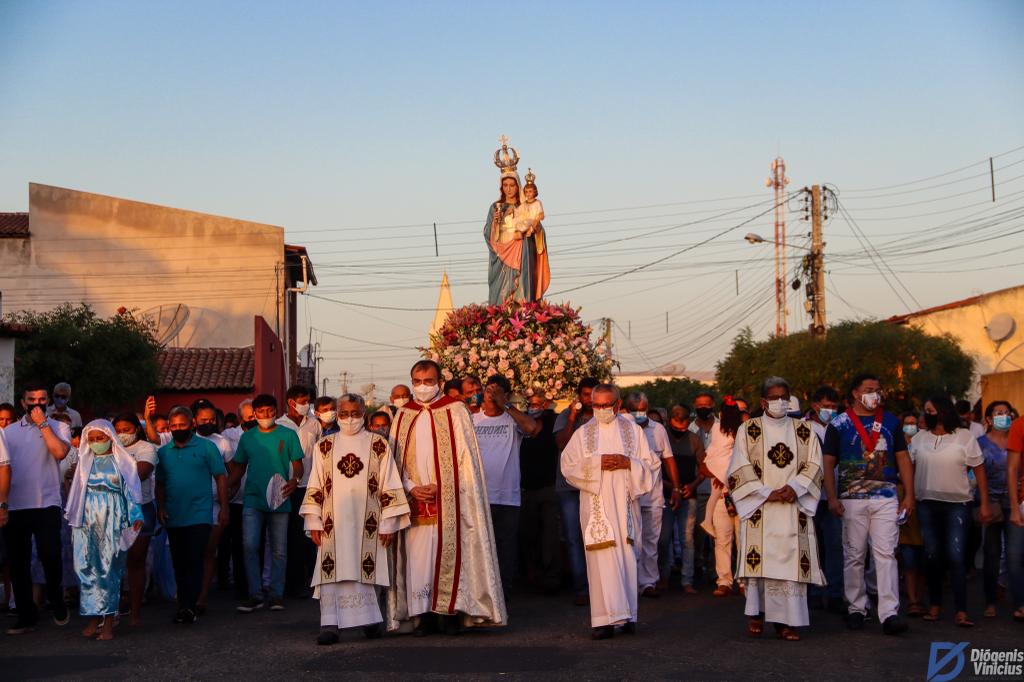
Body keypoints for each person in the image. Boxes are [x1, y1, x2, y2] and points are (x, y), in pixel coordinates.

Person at [386, 360, 506, 635]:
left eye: (428, 381)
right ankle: (423, 614)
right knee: (417, 558)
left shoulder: (455, 411)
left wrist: (446, 485)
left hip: (450, 497)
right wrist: (411, 486)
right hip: (414, 498)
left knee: (450, 551)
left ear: (440, 382)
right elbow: (393, 461)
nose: (422, 387)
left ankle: (450, 612)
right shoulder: (403, 415)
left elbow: (467, 460)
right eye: (417, 381)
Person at [301, 393, 411, 644]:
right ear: (337, 414)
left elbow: (390, 484)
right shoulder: (324, 446)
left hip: (369, 521)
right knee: (332, 571)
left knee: (365, 569)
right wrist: (314, 521)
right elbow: (315, 483)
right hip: (332, 521)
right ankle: (330, 624)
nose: (349, 419)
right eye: (344, 414)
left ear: (364, 414)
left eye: (355, 414)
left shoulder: (379, 444)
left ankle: (370, 621)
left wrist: (388, 524)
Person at [728, 377, 824, 642]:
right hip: (761, 508)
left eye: (784, 396)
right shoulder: (748, 429)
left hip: (793, 508)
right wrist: (766, 493)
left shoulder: (804, 430)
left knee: (790, 564)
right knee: (762, 562)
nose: (780, 402)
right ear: (763, 402)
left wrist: (795, 487)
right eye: (774, 397)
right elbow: (738, 466)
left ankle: (786, 622)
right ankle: (757, 614)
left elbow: (815, 465)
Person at [823, 373, 914, 635]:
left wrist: (909, 494)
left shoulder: (891, 421)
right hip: (852, 497)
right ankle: (856, 608)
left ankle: (889, 613)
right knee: (854, 554)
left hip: (885, 496)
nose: (875, 394)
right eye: (869, 389)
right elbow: (828, 463)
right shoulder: (838, 424)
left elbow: (903, 458)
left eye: (878, 389)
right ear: (855, 393)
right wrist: (831, 496)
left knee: (885, 553)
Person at [560, 384, 654, 639]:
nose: (602, 410)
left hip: (624, 503)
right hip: (596, 504)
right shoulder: (583, 434)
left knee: (626, 555)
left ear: (617, 403)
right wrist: (598, 463)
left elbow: (649, 466)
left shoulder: (633, 431)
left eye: (607, 404)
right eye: (597, 405)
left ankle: (628, 616)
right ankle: (603, 620)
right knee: (601, 558)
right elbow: (568, 467)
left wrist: (628, 463)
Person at [912, 395, 992, 627]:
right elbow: (910, 468)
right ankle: (935, 604)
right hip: (926, 503)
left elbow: (979, 471)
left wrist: (984, 503)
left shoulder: (965, 437)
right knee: (932, 555)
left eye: (932, 410)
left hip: (958, 505)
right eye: (926, 410)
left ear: (944, 411)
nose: (929, 414)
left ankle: (961, 610)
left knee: (956, 556)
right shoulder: (918, 439)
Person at [3, 381, 72, 635]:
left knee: (50, 555)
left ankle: (56, 598)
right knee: (18, 562)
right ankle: (26, 614)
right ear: (23, 403)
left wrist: (43, 424)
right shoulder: (8, 432)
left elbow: (59, 453)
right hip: (16, 504)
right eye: (31, 401)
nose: (37, 405)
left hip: (46, 502)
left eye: (42, 400)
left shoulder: (59, 426)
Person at [66, 420, 143, 641]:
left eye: (100, 438)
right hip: (86, 520)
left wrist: (135, 516)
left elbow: (131, 492)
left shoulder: (124, 462)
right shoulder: (84, 463)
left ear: (110, 437)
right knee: (86, 567)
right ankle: (93, 618)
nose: (96, 443)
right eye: (91, 439)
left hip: (112, 518)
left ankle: (109, 621)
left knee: (108, 569)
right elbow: (76, 495)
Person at [228, 394, 304, 613]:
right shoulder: (247, 438)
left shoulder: (288, 435)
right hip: (252, 498)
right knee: (250, 545)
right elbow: (239, 468)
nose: (266, 416)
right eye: (261, 412)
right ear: (255, 413)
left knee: (279, 549)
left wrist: (295, 480)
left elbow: (298, 465)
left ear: (275, 410)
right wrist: (224, 490)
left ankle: (276, 595)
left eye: (270, 411)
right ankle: (255, 594)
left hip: (280, 496)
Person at [155, 406, 228, 624]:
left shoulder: (207, 448)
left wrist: (225, 507)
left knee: (195, 558)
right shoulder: (164, 452)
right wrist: (160, 507)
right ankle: (184, 604)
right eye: (173, 426)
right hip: (174, 514)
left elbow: (220, 477)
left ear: (192, 425)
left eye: (182, 425)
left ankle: (189, 606)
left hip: (200, 514)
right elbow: (159, 483)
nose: (177, 429)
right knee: (179, 561)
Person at [472, 376, 539, 598]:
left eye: (497, 391)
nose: (491, 395)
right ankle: (483, 593)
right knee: (480, 547)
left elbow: (532, 428)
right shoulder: (473, 420)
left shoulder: (513, 420)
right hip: (478, 495)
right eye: (488, 390)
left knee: (506, 546)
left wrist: (506, 405)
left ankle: (504, 592)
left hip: (508, 496)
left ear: (506, 395)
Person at [624, 392, 680, 598]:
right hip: (630, 496)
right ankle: (630, 583)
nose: (639, 413)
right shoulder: (622, 429)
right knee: (631, 541)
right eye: (635, 410)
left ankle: (648, 582)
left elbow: (668, 458)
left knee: (651, 543)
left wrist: (675, 488)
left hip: (653, 496)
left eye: (642, 409)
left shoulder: (658, 430)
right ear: (626, 410)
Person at [485, 141, 550, 304]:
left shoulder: (525, 207)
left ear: (518, 186)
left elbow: (537, 229)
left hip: (523, 253)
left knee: (522, 293)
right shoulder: (495, 207)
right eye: (505, 185)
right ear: (501, 187)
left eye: (512, 185)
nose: (508, 189)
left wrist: (536, 228)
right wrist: (496, 225)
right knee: (502, 295)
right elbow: (487, 234)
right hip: (502, 258)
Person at [554, 377, 600, 605]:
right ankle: (581, 587)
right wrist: (572, 416)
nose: (589, 400)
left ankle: (598, 585)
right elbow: (562, 444)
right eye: (585, 395)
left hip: (594, 486)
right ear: (579, 396)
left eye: (593, 395)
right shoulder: (566, 416)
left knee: (595, 535)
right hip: (568, 487)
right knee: (573, 538)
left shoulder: (603, 419)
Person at [111, 413, 158, 626]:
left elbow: (140, 473)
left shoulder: (146, 448)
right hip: (113, 508)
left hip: (140, 508)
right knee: (113, 562)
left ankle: (135, 612)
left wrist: (108, 474)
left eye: (127, 429)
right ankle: (112, 611)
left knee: (135, 561)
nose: (122, 434)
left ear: (137, 429)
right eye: (118, 429)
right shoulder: (108, 447)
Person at [276, 385, 322, 599]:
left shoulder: (314, 424)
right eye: (302, 401)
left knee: (309, 536)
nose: (306, 405)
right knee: (290, 535)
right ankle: (290, 583)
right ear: (291, 402)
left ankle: (310, 581)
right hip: (287, 487)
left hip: (310, 486)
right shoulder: (279, 425)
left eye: (308, 401)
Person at [658, 404, 705, 594]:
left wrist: (693, 485)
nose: (680, 431)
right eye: (677, 428)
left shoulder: (694, 439)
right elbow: (654, 468)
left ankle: (687, 580)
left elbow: (703, 468)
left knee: (687, 539)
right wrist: (670, 487)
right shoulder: (663, 437)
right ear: (670, 421)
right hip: (665, 493)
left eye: (684, 428)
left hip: (688, 494)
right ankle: (664, 576)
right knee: (663, 539)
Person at [804, 386, 844, 612]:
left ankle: (835, 592)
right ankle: (815, 592)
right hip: (809, 496)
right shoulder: (803, 428)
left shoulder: (839, 427)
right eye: (826, 406)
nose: (830, 410)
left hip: (834, 496)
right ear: (815, 405)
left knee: (835, 545)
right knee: (811, 546)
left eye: (833, 407)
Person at [699, 397, 744, 598]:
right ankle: (725, 580)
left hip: (742, 493)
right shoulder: (717, 430)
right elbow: (706, 461)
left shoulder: (746, 432)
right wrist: (716, 474)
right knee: (723, 540)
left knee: (743, 540)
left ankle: (744, 581)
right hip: (720, 494)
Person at [518, 393, 562, 594]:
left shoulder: (553, 422)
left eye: (537, 404)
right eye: (530, 404)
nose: (533, 407)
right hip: (527, 487)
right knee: (529, 533)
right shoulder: (521, 424)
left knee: (550, 534)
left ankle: (551, 575)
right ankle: (532, 573)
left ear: (545, 405)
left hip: (548, 487)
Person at [194, 402, 233, 613]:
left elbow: (231, 470)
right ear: (194, 420)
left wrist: (228, 492)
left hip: (215, 504)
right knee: (192, 552)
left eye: (211, 420)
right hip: (190, 505)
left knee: (209, 550)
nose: (208, 423)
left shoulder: (222, 442)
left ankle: (203, 596)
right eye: (203, 420)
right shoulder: (187, 441)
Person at [978, 400, 1015, 618]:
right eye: (998, 413)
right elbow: (973, 474)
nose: (1003, 416)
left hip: (1015, 504)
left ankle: (1017, 598)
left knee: (1015, 554)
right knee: (991, 553)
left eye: (1006, 412)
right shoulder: (980, 443)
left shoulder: (1018, 440)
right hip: (990, 503)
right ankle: (990, 600)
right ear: (989, 420)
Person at [898, 411, 927, 618]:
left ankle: (921, 596)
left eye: (914, 423)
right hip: (902, 498)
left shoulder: (923, 443)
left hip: (922, 498)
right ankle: (912, 600)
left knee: (924, 553)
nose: (911, 426)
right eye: (907, 423)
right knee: (907, 554)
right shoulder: (897, 445)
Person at [689, 392, 717, 584]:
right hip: (699, 487)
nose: (703, 407)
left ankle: (718, 570)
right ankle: (698, 563)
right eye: (700, 405)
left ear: (713, 404)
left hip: (718, 486)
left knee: (720, 532)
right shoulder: (690, 429)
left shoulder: (722, 427)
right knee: (698, 531)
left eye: (706, 404)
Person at [1006, 411, 1024, 621]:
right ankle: (1020, 603)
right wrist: (1014, 507)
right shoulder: (1020, 425)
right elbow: (1011, 469)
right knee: (1014, 556)